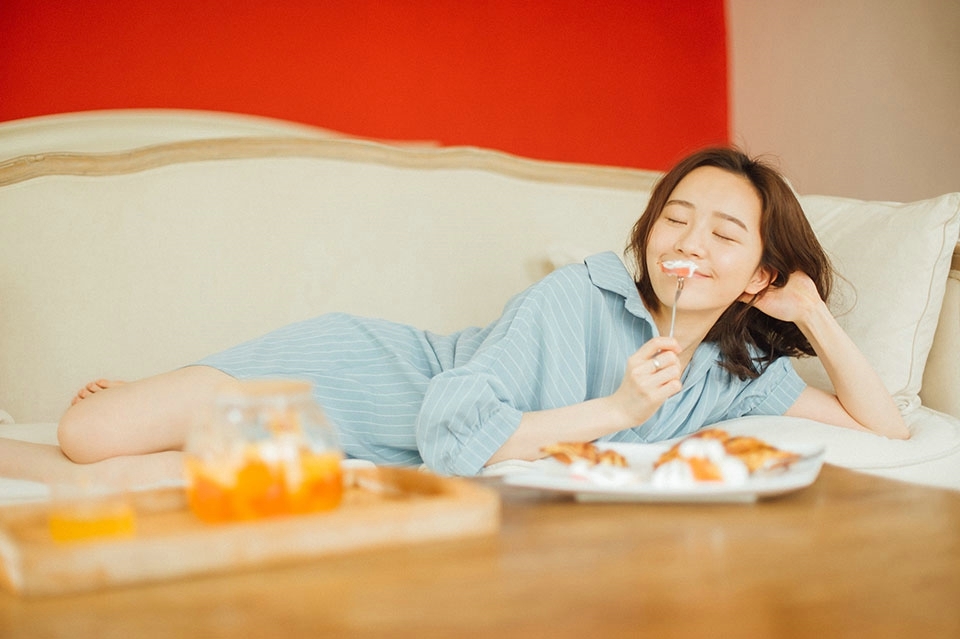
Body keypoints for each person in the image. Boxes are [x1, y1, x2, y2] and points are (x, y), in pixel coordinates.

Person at [1, 147, 909, 487]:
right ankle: (161, 397)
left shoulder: (734, 376)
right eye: (675, 216)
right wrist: (616, 413)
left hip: (348, 457)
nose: (690, 242)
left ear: (757, 271)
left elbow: (886, 424)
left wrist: (809, 313)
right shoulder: (576, 296)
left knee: (141, 476)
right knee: (87, 434)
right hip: (359, 381)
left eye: (724, 234)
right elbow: (449, 432)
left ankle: (161, 405)